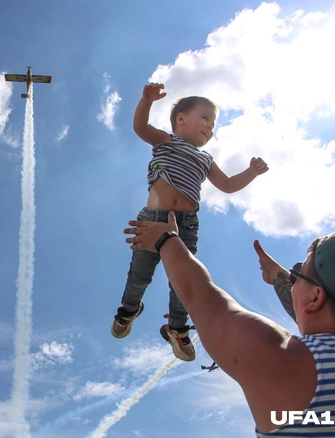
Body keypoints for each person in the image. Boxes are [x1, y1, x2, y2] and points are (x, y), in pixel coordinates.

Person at [124, 216, 335, 436]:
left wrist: (166, 238)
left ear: (316, 298)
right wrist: (278, 277)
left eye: (297, 273)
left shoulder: (286, 361)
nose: (291, 277)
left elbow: (198, 293)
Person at [111, 83, 268, 362]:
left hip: (186, 224)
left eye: (213, 123)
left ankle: (177, 327)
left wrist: (251, 172)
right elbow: (140, 127)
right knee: (140, 273)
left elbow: (229, 185)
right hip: (153, 218)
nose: (210, 126)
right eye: (205, 118)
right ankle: (128, 309)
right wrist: (146, 100)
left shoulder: (206, 159)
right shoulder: (166, 141)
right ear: (181, 119)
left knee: (185, 279)